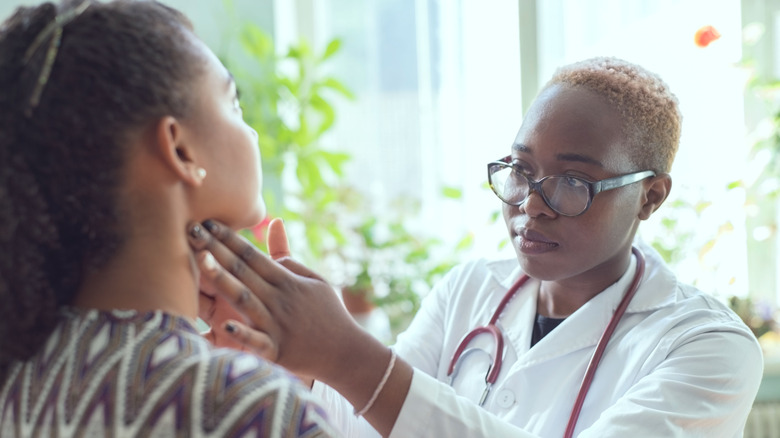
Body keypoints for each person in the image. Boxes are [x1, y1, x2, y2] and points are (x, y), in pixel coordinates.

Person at [187, 58, 764, 437]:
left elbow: (381, 385)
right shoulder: (470, 288)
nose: (531, 203)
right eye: (520, 169)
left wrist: (347, 353)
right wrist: (301, 361)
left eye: (572, 182)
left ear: (650, 196)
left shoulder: (709, 348)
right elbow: (373, 425)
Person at [0, 1, 338, 436]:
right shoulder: (246, 408)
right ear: (179, 151)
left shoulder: (18, 376)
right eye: (233, 103)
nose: (251, 131)